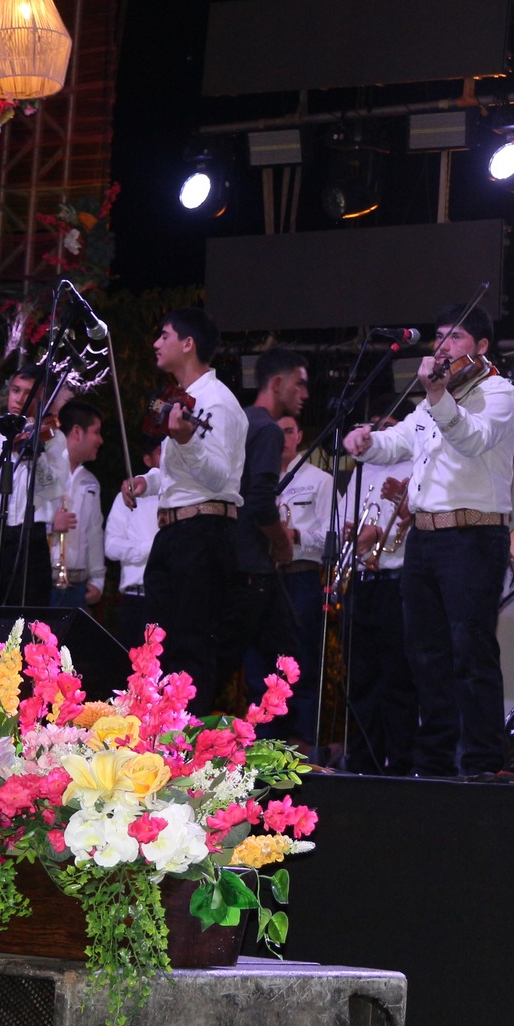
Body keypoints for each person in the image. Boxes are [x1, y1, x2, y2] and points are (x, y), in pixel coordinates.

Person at [346, 303, 514, 778]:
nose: (442, 347)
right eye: (439, 337)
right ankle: (435, 763)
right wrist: (367, 441)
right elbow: (400, 441)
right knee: (425, 657)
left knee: (471, 652)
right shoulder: (430, 402)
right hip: (423, 541)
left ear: (481, 347)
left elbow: (472, 440)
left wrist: (440, 396)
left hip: (472, 536)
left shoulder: (499, 393)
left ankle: (483, 762)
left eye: (455, 337)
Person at [120, 307, 246, 702]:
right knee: (158, 641)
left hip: (203, 534)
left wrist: (187, 441)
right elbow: (182, 473)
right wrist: (148, 480)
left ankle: (189, 748)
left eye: (164, 335)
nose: (156, 343)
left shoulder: (219, 404)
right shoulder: (180, 400)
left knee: (191, 646)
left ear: (187, 344)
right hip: (176, 532)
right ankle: (162, 743)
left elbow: (218, 479)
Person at [217, 347, 309, 711]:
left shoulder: (237, 422)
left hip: (229, 559)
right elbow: (258, 499)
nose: (305, 394)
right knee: (283, 662)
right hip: (254, 566)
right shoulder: (268, 430)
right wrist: (282, 542)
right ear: (276, 383)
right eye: (299, 385)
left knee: (249, 659)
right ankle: (291, 751)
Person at [0, 366, 66, 608]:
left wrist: (36, 454)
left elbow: (54, 489)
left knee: (29, 615)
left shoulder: (52, 439)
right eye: (16, 390)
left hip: (30, 538)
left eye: (28, 393)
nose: (19, 398)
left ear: (42, 401)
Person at [340, 446, 414, 774]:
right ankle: (362, 762)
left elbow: (418, 525)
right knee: (361, 678)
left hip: (399, 579)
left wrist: (382, 534)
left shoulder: (417, 462)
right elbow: (346, 518)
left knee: (397, 679)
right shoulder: (363, 470)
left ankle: (400, 763)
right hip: (362, 580)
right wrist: (352, 532)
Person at [261, 414, 331, 744]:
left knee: (300, 664)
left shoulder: (319, 480)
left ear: (300, 435)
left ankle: (304, 750)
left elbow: (335, 537)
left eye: (288, 431)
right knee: (261, 668)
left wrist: (296, 535)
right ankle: (263, 746)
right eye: (277, 432)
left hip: (301, 578)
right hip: (265, 580)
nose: (283, 438)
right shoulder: (258, 479)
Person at [49, 400, 107, 610]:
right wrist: (49, 523)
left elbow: (94, 532)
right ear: (76, 432)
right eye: (96, 432)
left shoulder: (90, 481)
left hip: (78, 586)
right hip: (45, 582)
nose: (100, 440)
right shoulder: (46, 469)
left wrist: (97, 579)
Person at [105, 445, 161, 650]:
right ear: (148, 460)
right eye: (162, 452)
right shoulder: (128, 495)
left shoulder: (182, 499)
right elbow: (111, 547)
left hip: (168, 600)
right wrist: (153, 548)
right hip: (136, 599)